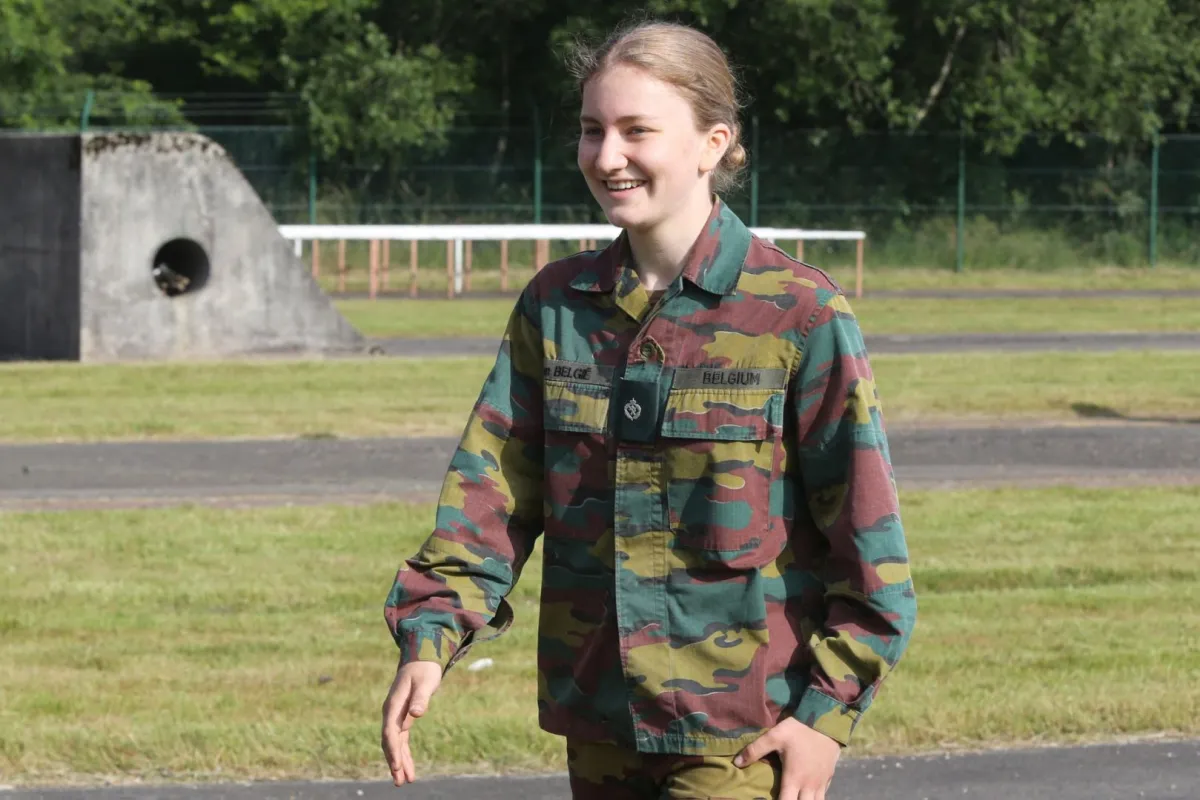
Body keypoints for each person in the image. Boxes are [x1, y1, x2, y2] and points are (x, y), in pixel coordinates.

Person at [380, 19, 917, 800]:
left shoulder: (799, 313)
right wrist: (430, 637)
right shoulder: (557, 306)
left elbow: (871, 551)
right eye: (592, 129)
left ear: (712, 144)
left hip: (741, 735)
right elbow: (491, 498)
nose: (607, 157)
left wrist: (824, 714)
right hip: (599, 720)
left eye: (637, 131)